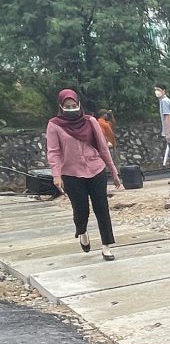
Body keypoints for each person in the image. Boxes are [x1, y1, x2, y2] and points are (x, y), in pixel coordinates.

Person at [45, 89, 122, 261]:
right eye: (67, 106)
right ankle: (82, 231)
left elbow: (102, 147)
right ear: (61, 106)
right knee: (81, 210)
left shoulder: (90, 121)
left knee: (102, 208)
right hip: (71, 173)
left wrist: (113, 170)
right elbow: (54, 152)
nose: (71, 108)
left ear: (79, 104)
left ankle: (106, 246)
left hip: (96, 169)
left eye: (74, 105)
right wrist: (56, 175)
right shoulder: (55, 125)